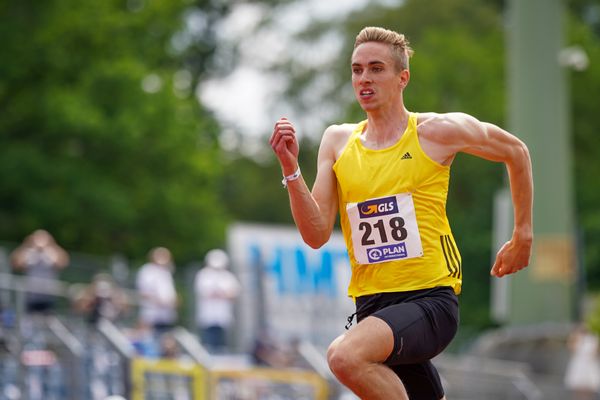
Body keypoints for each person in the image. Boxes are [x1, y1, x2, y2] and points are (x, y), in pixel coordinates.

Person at [269, 26, 533, 400]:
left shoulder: (436, 132)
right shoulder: (337, 141)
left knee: (344, 356)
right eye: (357, 69)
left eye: (376, 69)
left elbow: (516, 151)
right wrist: (290, 169)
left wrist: (522, 234)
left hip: (429, 300)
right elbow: (315, 235)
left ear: (402, 77)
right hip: (373, 305)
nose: (364, 79)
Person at [10, 229, 69, 314]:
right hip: (30, 296)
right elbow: (15, 263)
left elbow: (63, 263)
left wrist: (52, 245)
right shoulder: (28, 252)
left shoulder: (52, 252)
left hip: (47, 296)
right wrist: (26, 244)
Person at [194, 248, 241, 353]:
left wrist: (220, 294)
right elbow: (204, 292)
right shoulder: (204, 275)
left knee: (221, 340)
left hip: (222, 314)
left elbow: (234, 292)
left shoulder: (228, 276)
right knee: (208, 339)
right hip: (208, 314)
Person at [136, 247, 178, 335]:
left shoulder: (166, 272)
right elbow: (144, 292)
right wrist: (159, 301)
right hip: (152, 314)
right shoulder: (147, 271)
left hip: (166, 315)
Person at [564, 323, 600, 400]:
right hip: (579, 365)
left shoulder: (593, 339)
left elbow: (596, 353)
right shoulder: (576, 338)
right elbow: (571, 349)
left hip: (589, 364)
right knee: (578, 387)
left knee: (589, 388)